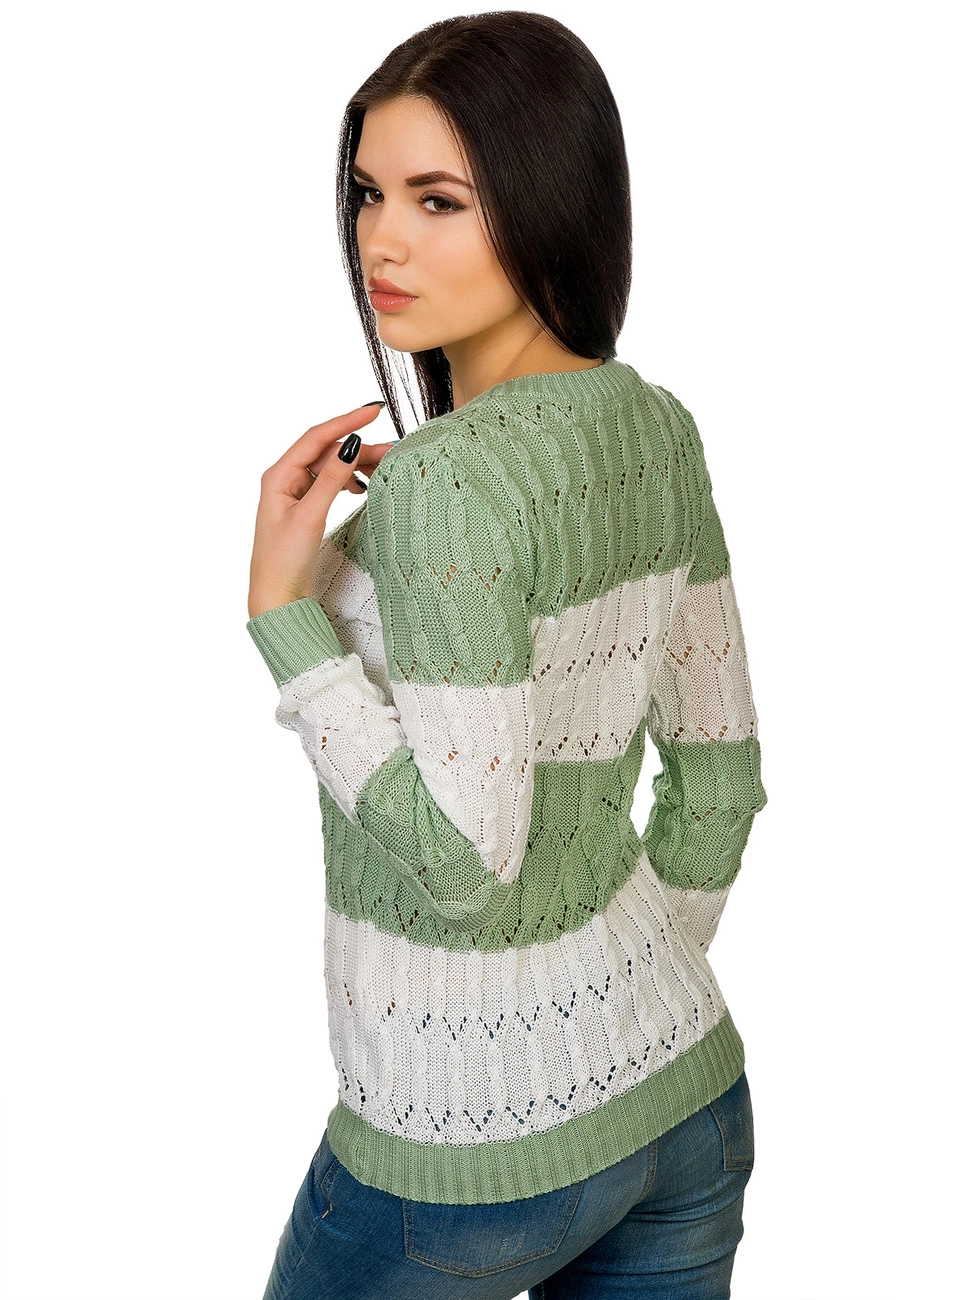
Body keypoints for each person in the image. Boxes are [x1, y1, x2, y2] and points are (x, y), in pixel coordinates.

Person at [246, 12, 768, 1299]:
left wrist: (286, 621)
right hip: (685, 1102)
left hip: (460, 1152)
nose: (383, 240)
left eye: (439, 201)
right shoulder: (656, 430)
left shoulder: (449, 488)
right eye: (369, 193)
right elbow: (721, 782)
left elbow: (466, 869)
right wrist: (614, 1004)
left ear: (548, 202)